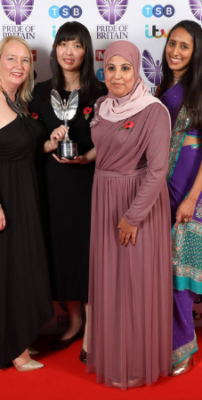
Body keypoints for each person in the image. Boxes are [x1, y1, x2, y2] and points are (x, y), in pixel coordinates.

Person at [0, 36, 62, 371]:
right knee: (5, 271)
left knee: (23, 268)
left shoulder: (17, 100)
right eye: (11, 59)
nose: (19, 66)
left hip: (26, 196)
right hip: (1, 196)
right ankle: (12, 350)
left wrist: (49, 143)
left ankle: (21, 338)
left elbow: (24, 149)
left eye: (25, 61)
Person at [86, 41, 173, 389]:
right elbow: (106, 148)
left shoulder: (154, 111)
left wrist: (132, 217)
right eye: (111, 68)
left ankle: (137, 362)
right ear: (103, 71)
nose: (118, 75)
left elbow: (157, 171)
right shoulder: (103, 105)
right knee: (110, 283)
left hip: (137, 203)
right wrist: (86, 157)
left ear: (137, 70)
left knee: (136, 284)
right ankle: (114, 358)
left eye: (126, 68)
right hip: (103, 197)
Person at [29, 21, 107, 362]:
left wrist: (88, 156)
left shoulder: (101, 92)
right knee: (61, 251)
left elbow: (117, 142)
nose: (69, 52)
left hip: (90, 184)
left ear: (87, 51)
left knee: (88, 254)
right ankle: (74, 321)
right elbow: (29, 142)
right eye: (63, 44)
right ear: (55, 50)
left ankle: (93, 328)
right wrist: (49, 143)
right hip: (53, 186)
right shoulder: (39, 91)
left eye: (77, 45)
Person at [157, 20, 202, 376]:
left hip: (191, 189)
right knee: (162, 269)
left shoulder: (199, 88)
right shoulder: (164, 85)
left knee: (179, 273)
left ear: (196, 51)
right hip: (164, 186)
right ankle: (166, 340)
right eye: (172, 44)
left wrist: (191, 199)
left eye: (184, 46)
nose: (176, 51)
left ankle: (183, 347)